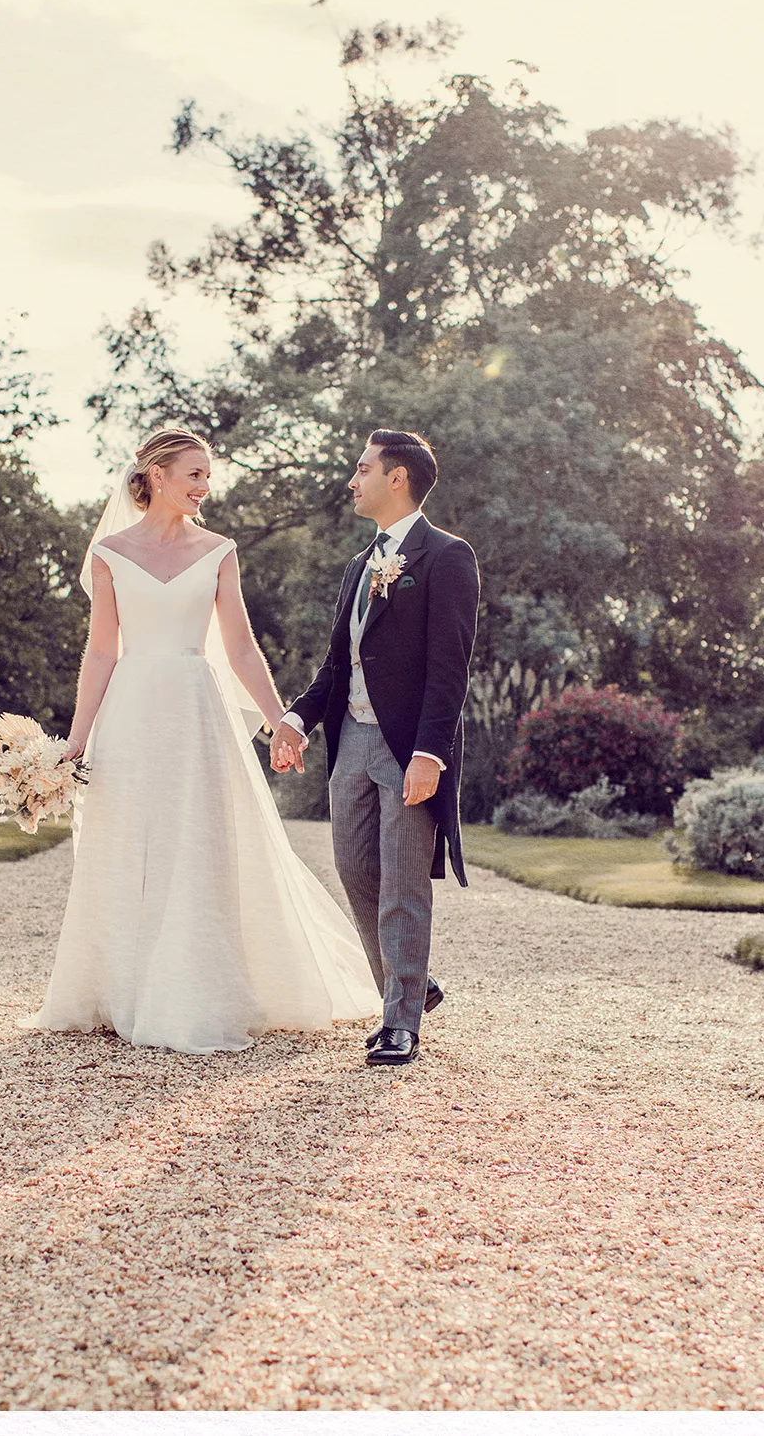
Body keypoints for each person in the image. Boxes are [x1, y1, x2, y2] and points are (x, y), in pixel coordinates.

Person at [18, 428, 379, 1055]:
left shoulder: (219, 550)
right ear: (157, 475)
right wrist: (76, 740)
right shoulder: (109, 553)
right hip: (130, 710)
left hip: (195, 710)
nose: (204, 487)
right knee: (129, 842)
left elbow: (239, 645)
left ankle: (192, 993)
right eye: (194, 474)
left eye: (206, 476)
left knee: (197, 841)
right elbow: (102, 649)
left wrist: (279, 719)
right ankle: (122, 990)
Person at [270, 430, 480, 1067]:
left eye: (362, 470)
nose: (352, 480)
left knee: (404, 881)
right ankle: (411, 983)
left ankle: (400, 1023)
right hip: (353, 743)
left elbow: (450, 668)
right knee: (355, 869)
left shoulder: (447, 557)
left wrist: (430, 753)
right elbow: (339, 665)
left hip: (407, 746)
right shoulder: (361, 566)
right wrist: (296, 719)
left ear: (398, 479)